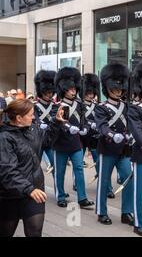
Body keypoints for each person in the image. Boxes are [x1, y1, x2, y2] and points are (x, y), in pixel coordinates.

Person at [0, 99, 65, 237]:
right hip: (10, 196)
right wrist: (28, 189)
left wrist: (57, 122)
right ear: (19, 118)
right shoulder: (4, 138)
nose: (34, 117)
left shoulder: (33, 129)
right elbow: (7, 172)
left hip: (34, 192)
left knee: (35, 231)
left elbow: (46, 140)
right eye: (30, 114)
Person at [94, 63, 134, 226]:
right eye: (115, 88)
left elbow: (132, 124)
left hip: (124, 150)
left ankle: (126, 212)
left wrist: (131, 136)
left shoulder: (127, 106)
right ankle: (101, 212)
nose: (118, 91)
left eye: (120, 88)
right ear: (107, 88)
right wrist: (112, 135)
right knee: (104, 181)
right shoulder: (101, 107)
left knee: (128, 179)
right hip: (108, 148)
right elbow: (102, 126)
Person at [52, 67, 94, 209]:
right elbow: (57, 121)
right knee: (60, 171)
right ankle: (61, 196)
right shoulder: (57, 105)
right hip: (61, 143)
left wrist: (85, 129)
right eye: (70, 89)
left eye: (74, 88)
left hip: (76, 143)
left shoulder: (80, 104)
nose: (73, 91)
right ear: (64, 89)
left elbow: (85, 121)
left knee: (79, 169)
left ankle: (82, 198)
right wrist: (68, 127)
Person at [34, 70, 58, 176]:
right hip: (38, 138)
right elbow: (34, 119)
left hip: (50, 139)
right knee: (34, 166)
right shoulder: (34, 105)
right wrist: (39, 124)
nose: (50, 95)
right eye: (47, 93)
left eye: (51, 92)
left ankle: (59, 192)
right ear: (41, 92)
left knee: (55, 166)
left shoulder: (55, 105)